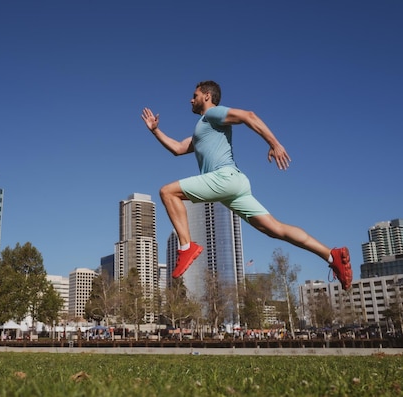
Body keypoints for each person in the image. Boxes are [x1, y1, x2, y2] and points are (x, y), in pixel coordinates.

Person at [141, 80, 352, 290]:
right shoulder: (203, 129)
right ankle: (331, 256)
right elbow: (178, 148)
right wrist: (155, 131)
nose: (191, 99)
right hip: (234, 185)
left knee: (167, 192)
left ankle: (186, 247)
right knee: (274, 228)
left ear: (207, 96)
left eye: (194, 95)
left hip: (224, 178)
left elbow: (248, 116)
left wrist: (274, 144)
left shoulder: (213, 114)